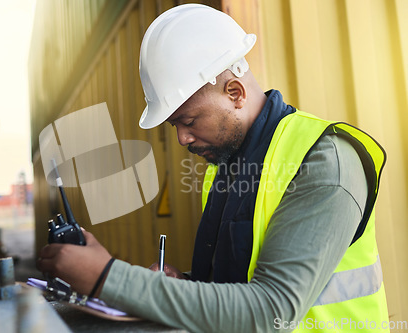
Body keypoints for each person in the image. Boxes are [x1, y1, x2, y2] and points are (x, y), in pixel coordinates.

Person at [37, 4, 389, 332]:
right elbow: (237, 284)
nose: (182, 139)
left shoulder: (325, 162)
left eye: (188, 121)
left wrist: (107, 278)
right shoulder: (227, 166)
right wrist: (185, 284)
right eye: (174, 125)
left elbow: (272, 310)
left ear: (235, 93)